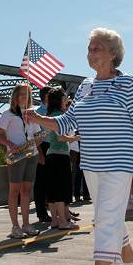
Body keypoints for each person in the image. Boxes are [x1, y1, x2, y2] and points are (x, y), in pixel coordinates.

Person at [24, 27, 133, 265]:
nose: (91, 52)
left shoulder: (129, 84)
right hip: (92, 164)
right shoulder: (85, 86)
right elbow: (67, 123)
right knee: (109, 217)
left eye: (97, 48)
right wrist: (38, 119)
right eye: (89, 48)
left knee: (105, 220)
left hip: (119, 163)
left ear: (113, 54)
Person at [0, 84, 41, 238]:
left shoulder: (32, 114)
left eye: (27, 94)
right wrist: (11, 145)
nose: (24, 97)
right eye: (21, 94)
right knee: (14, 191)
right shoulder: (8, 114)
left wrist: (38, 144)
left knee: (27, 190)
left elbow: (37, 136)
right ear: (15, 96)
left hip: (31, 154)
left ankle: (27, 224)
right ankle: (15, 226)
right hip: (16, 156)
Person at [45, 88, 79, 230]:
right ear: (59, 100)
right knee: (60, 189)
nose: (66, 100)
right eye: (64, 98)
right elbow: (61, 137)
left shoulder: (50, 115)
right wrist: (75, 138)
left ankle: (54, 220)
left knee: (52, 190)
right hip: (60, 155)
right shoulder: (61, 116)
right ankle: (63, 222)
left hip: (50, 155)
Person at [34, 86, 53, 222]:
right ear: (46, 96)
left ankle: (58, 209)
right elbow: (36, 135)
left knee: (53, 180)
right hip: (43, 146)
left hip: (54, 147)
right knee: (41, 181)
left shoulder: (54, 111)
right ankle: (41, 212)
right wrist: (40, 153)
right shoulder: (38, 112)